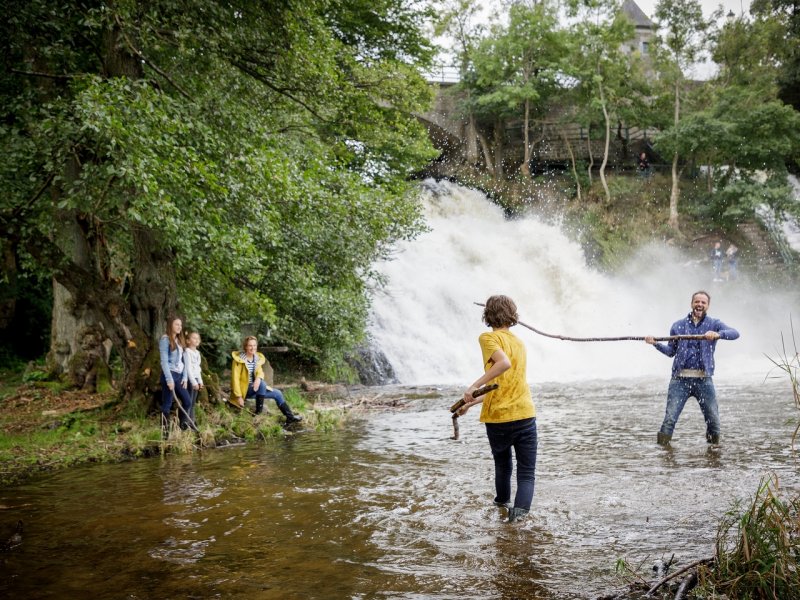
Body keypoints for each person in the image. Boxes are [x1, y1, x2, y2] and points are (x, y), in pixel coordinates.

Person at [458, 295, 537, 523]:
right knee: (526, 474)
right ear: (512, 316)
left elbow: (503, 364)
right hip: (525, 414)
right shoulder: (519, 343)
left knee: (503, 467)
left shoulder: (488, 338)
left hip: (499, 419)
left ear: (488, 315)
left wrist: (474, 386)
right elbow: (504, 386)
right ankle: (518, 522)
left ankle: (501, 508)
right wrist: (470, 403)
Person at [645, 291, 740, 446]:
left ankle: (713, 452)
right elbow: (670, 352)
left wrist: (718, 334)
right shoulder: (678, 325)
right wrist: (655, 343)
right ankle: (662, 454)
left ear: (707, 306)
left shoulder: (714, 324)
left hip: (704, 380)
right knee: (670, 419)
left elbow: (735, 333)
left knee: (714, 421)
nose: (699, 305)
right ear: (691, 304)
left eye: (703, 302)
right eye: (697, 302)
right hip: (679, 380)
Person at [230, 336, 302, 424]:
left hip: (256, 388)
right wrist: (239, 397)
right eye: (250, 346)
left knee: (278, 393)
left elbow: (260, 372)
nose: (252, 348)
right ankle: (258, 413)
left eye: (254, 345)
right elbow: (235, 379)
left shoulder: (256, 358)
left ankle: (290, 417)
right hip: (244, 390)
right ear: (245, 347)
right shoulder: (238, 361)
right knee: (262, 384)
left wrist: (258, 379)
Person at [158, 316, 196, 435]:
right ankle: (165, 433)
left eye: (180, 325)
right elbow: (164, 361)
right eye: (176, 324)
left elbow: (183, 362)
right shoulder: (165, 340)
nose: (179, 327)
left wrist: (184, 378)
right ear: (170, 326)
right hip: (169, 375)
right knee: (167, 404)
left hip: (179, 376)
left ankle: (181, 427)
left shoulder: (180, 341)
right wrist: (169, 379)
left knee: (187, 401)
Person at [184, 331, 204, 425]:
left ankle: (192, 421)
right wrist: (193, 382)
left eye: (198, 338)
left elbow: (197, 368)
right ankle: (185, 422)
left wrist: (200, 381)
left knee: (193, 402)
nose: (197, 340)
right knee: (188, 401)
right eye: (194, 338)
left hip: (196, 379)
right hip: (189, 380)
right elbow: (188, 368)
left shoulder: (197, 353)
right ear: (188, 341)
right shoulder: (187, 352)